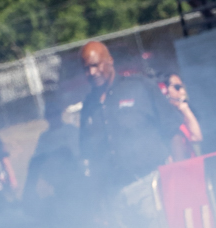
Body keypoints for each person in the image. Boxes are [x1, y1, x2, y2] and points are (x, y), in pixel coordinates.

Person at [77, 41, 181, 190]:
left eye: (95, 65)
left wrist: (179, 173)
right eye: (86, 68)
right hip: (113, 194)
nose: (92, 72)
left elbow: (173, 131)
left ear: (110, 60)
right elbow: (88, 156)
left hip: (152, 184)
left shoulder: (140, 86)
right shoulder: (88, 107)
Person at [164, 73, 203, 159]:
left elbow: (197, 137)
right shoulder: (164, 117)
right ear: (164, 90)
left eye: (183, 87)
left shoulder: (184, 112)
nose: (183, 92)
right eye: (177, 87)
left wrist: (185, 110)